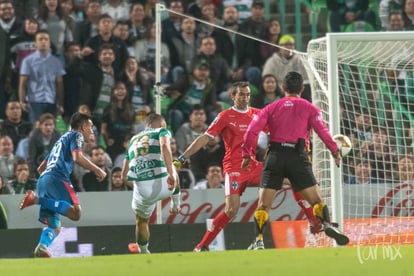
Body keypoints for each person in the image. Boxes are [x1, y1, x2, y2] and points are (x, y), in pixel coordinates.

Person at [174, 81, 323, 252]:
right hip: (234, 168)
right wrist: (183, 157)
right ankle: (202, 245)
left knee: (294, 180)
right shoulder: (225, 116)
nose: (245, 98)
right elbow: (205, 138)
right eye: (241, 95)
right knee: (231, 210)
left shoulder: (257, 114)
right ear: (233, 96)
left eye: (247, 95)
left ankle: (315, 222)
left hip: (253, 166)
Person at [242, 71, 350, 248]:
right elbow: (322, 131)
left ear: (283, 88)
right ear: (302, 88)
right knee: (316, 200)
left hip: (275, 156)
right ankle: (327, 224)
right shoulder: (310, 108)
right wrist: (334, 151)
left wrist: (247, 154)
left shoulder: (270, 107)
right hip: (298, 157)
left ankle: (259, 240)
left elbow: (251, 131)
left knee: (263, 205)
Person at [19, 112, 107, 258]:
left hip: (44, 180)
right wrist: (98, 170)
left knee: (55, 227)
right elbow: (77, 157)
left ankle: (42, 247)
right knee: (76, 213)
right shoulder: (76, 135)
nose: (92, 131)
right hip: (57, 178)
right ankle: (36, 200)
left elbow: (41, 168)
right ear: (82, 126)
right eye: (90, 127)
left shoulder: (60, 141)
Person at [121, 113, 181, 254]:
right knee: (173, 166)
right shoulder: (161, 131)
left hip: (144, 191)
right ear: (162, 124)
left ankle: (143, 250)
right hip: (166, 185)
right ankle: (176, 204)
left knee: (141, 221)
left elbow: (124, 175)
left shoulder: (133, 140)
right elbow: (165, 147)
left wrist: (136, 185)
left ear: (146, 125)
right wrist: (171, 174)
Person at [18, 29, 65, 124]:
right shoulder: (28, 61)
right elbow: (23, 83)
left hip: (51, 100)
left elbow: (59, 84)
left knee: (50, 128)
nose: (43, 42)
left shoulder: (56, 62)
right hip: (34, 101)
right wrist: (22, 101)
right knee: (36, 128)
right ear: (35, 43)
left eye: (46, 39)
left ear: (49, 43)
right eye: (40, 39)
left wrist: (61, 103)